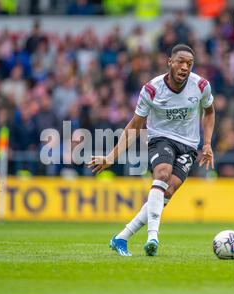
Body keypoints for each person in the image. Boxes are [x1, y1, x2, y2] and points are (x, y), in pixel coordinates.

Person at [88, 44, 215, 256]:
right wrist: (112, 156)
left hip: (189, 145)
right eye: (181, 62)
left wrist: (208, 143)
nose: (185, 67)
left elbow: (209, 112)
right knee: (162, 174)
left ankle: (121, 238)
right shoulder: (152, 89)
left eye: (190, 64)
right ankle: (152, 238)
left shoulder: (201, 86)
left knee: (168, 191)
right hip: (160, 139)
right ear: (170, 62)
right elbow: (135, 125)